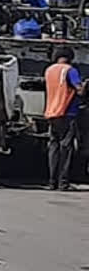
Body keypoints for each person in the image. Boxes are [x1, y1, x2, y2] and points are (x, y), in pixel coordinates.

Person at [44, 47, 87, 191]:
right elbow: (79, 90)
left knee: (53, 147)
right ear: (70, 57)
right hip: (67, 113)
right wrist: (86, 84)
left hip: (51, 112)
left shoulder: (49, 71)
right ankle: (63, 183)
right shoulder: (70, 70)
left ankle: (51, 182)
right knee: (65, 148)